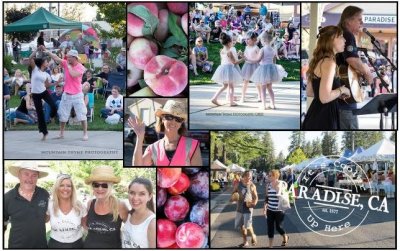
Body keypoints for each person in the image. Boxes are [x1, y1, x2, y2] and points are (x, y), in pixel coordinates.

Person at [302, 26, 351, 129]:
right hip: (325, 117)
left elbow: (311, 92)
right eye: (341, 36)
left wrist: (336, 94)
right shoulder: (329, 63)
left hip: (315, 114)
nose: (345, 40)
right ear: (332, 39)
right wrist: (342, 89)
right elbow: (324, 98)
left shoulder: (318, 61)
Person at [128, 99, 202, 166]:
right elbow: (137, 166)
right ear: (162, 119)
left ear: (181, 123)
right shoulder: (153, 148)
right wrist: (140, 137)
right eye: (169, 117)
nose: (173, 122)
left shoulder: (193, 145)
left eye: (178, 119)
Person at [336, 6, 374, 129]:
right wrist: (367, 72)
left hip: (340, 93)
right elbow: (352, 59)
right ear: (348, 20)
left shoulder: (341, 34)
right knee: (350, 127)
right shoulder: (347, 35)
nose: (362, 23)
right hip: (345, 96)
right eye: (359, 19)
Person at [4, 161, 50, 248]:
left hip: (41, 246)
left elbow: (47, 217)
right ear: (19, 175)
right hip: (17, 246)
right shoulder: (7, 198)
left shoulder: (44, 194)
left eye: (34, 175)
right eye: (26, 174)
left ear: (37, 177)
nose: (30, 179)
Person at [45, 49, 88, 140]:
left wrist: (68, 66)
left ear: (74, 58)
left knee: (82, 115)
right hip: (66, 94)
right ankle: (61, 134)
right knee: (63, 115)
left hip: (77, 94)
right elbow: (56, 58)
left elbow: (73, 74)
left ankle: (85, 134)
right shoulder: (66, 63)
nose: (67, 58)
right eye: (67, 57)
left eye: (69, 57)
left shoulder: (80, 67)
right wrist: (47, 52)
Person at [84, 166, 129, 248]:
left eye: (104, 185)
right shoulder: (90, 203)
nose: (100, 188)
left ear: (111, 186)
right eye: (96, 185)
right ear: (92, 187)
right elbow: (85, 224)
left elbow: (132, 228)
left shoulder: (120, 205)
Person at [47, 174, 87, 248]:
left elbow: (86, 226)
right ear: (57, 188)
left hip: (77, 245)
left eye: (68, 186)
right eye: (61, 185)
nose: (65, 188)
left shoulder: (80, 206)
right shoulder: (49, 205)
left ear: (72, 189)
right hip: (55, 245)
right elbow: (42, 221)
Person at [250, 31, 286, 110]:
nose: (261, 42)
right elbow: (273, 61)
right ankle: (273, 104)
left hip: (263, 69)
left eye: (262, 41)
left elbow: (258, 60)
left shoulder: (262, 49)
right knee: (270, 88)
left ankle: (264, 105)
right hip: (271, 69)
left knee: (263, 88)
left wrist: (250, 59)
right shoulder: (273, 49)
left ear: (265, 41)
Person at [29, 47, 57, 140]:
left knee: (53, 105)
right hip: (35, 94)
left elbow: (48, 85)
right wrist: (37, 50)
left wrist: (57, 82)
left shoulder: (46, 74)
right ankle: (44, 132)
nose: (47, 63)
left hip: (44, 92)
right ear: (42, 63)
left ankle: (52, 116)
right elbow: (30, 58)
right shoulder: (35, 69)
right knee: (40, 113)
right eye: (46, 62)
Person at [210, 33, 243, 107]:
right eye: (231, 41)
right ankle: (231, 102)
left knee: (224, 86)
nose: (232, 43)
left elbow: (224, 60)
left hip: (223, 68)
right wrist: (243, 59)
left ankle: (214, 98)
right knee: (231, 86)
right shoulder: (229, 52)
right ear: (228, 43)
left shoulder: (222, 51)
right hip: (229, 69)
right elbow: (235, 62)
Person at [121, 178, 156, 248]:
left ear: (149, 196)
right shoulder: (129, 215)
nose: (135, 198)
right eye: (132, 193)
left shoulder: (152, 223)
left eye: (141, 194)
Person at [231, 171, 258, 248]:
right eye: (248, 176)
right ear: (244, 176)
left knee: (248, 226)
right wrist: (234, 197)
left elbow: (256, 197)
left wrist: (254, 203)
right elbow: (233, 193)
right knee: (242, 226)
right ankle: (245, 242)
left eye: (250, 176)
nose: (249, 178)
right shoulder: (238, 184)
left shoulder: (252, 186)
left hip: (248, 208)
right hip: (239, 208)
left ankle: (253, 235)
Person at [264, 169, 289, 248]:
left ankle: (285, 236)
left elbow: (284, 197)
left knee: (279, 227)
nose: (268, 177)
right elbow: (267, 198)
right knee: (270, 228)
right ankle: (270, 246)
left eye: (270, 175)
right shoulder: (268, 185)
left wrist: (278, 190)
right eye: (268, 175)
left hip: (279, 210)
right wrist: (264, 208)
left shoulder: (282, 184)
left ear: (275, 176)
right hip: (270, 210)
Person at [240, 31, 260, 103]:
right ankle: (243, 96)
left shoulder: (256, 48)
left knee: (257, 82)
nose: (246, 40)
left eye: (248, 39)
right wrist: (242, 56)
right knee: (245, 81)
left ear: (254, 39)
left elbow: (259, 58)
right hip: (247, 66)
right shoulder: (246, 47)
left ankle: (259, 95)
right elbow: (245, 57)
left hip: (255, 65)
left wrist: (254, 60)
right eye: (246, 39)